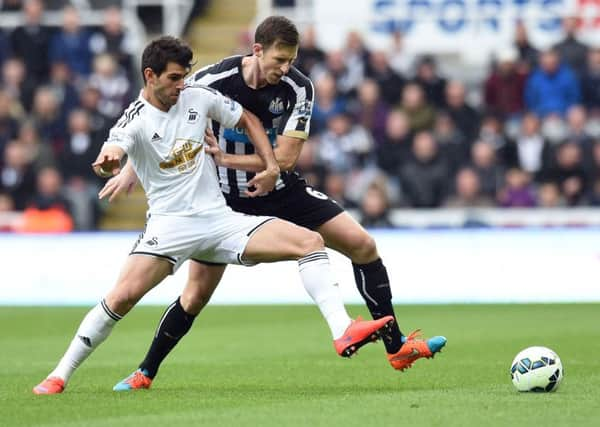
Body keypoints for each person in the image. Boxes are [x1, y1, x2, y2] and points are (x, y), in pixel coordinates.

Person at [32, 36, 394, 395]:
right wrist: (114, 163)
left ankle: (342, 329)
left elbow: (247, 118)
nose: (182, 84)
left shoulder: (197, 97)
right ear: (150, 76)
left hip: (220, 220)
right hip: (170, 228)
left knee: (311, 242)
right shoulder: (135, 119)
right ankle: (59, 374)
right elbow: (115, 145)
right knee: (122, 298)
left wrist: (270, 164)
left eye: (184, 76)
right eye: (174, 78)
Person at [105, 17, 446, 391]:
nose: (285, 69)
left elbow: (284, 159)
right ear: (257, 50)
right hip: (222, 202)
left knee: (363, 245)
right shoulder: (210, 81)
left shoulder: (299, 88)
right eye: (279, 60)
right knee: (196, 294)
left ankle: (396, 348)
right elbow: (159, 119)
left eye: (291, 61)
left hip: (281, 189)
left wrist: (231, 159)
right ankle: (145, 372)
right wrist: (132, 169)